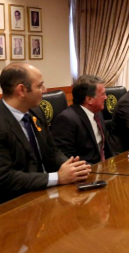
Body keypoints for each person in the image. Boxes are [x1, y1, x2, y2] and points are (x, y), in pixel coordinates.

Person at [0, 63, 91, 203]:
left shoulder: (36, 112)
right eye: (39, 86)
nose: (45, 90)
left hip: (47, 193)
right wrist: (58, 177)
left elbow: (52, 151)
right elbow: (5, 177)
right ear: (22, 90)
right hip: (16, 202)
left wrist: (71, 168)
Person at [51, 75, 113, 164]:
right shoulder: (66, 119)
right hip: (87, 170)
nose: (106, 97)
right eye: (102, 94)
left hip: (105, 166)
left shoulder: (98, 112)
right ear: (89, 99)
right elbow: (67, 157)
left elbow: (105, 147)